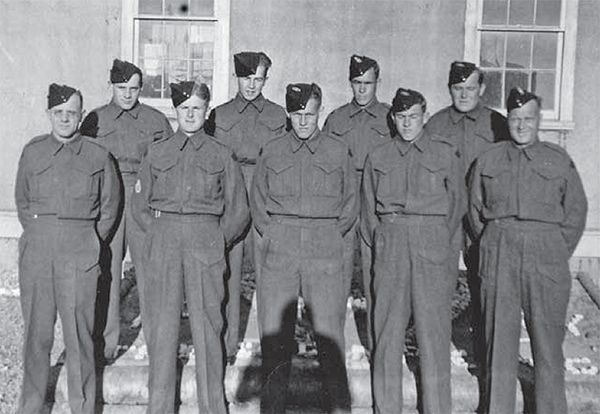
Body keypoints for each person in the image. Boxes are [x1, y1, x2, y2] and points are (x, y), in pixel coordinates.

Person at [132, 81, 249, 414]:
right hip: (165, 240)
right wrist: (158, 233)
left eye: (197, 108)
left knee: (209, 328)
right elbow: (139, 206)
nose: (191, 114)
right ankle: (160, 407)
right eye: (185, 108)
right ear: (176, 111)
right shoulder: (157, 152)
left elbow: (238, 209)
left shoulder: (221, 153)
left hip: (205, 240)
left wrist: (215, 239)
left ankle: (212, 407)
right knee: (162, 329)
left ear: (207, 111)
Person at [468, 87, 587, 414]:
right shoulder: (488, 159)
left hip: (545, 254)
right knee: (498, 346)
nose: (521, 125)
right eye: (515, 118)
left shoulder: (558, 159)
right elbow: (475, 211)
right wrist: (495, 243)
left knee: (548, 348)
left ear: (539, 120)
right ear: (508, 119)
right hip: (500, 251)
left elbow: (575, 212)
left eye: (528, 118)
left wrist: (552, 250)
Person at [250, 83, 358, 413]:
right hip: (281, 245)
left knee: (329, 338)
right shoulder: (272, 150)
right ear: (288, 114)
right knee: (275, 340)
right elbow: (258, 202)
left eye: (310, 114)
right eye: (297, 114)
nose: (303, 121)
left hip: (323, 245)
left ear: (319, 112)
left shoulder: (338, 151)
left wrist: (328, 237)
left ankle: (338, 408)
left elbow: (350, 204)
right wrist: (274, 235)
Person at [15, 83, 121, 414]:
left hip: (80, 250)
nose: (64, 119)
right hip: (39, 250)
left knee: (80, 338)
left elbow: (110, 207)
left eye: (71, 113)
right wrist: (40, 234)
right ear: (49, 114)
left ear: (81, 115)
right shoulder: (33, 152)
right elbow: (22, 200)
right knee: (37, 335)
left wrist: (89, 241)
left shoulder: (98, 155)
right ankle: (31, 405)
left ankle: (84, 407)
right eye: (58, 113)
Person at [361, 88, 464, 414]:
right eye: (401, 117)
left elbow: (457, 206)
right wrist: (387, 240)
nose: (407, 124)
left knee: (433, 334)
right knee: (387, 332)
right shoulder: (378, 156)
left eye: (413, 117)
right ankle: (387, 408)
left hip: (430, 245)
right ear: (393, 118)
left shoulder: (445, 154)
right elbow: (368, 212)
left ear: (425, 116)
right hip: (391, 244)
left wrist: (434, 240)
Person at [81, 59, 173, 361]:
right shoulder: (95, 119)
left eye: (134, 89)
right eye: (122, 88)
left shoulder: (155, 120)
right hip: (108, 197)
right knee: (106, 267)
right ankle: (105, 345)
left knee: (151, 268)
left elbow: (168, 165)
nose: (128, 95)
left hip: (142, 196)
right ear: (112, 86)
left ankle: (157, 342)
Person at [425, 60, 509, 390]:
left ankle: (483, 356)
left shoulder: (497, 124)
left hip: (481, 215)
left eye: (470, 89)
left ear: (482, 89)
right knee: (437, 285)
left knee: (484, 285)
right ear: (449, 89)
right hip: (445, 216)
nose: (463, 94)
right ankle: (432, 356)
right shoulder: (436, 124)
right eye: (457, 89)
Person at [205, 51, 287, 361]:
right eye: (246, 78)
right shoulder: (220, 115)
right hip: (232, 195)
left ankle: (271, 345)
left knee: (271, 274)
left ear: (266, 79)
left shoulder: (279, 116)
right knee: (228, 271)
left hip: (266, 194)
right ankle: (225, 345)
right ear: (237, 78)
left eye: (258, 79)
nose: (251, 85)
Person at [322, 54, 391, 352]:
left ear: (377, 83)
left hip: (376, 202)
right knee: (337, 275)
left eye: (368, 83)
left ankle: (379, 343)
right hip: (345, 201)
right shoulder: (336, 119)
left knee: (378, 273)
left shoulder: (389, 117)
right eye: (357, 83)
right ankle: (333, 344)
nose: (362, 90)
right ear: (350, 83)